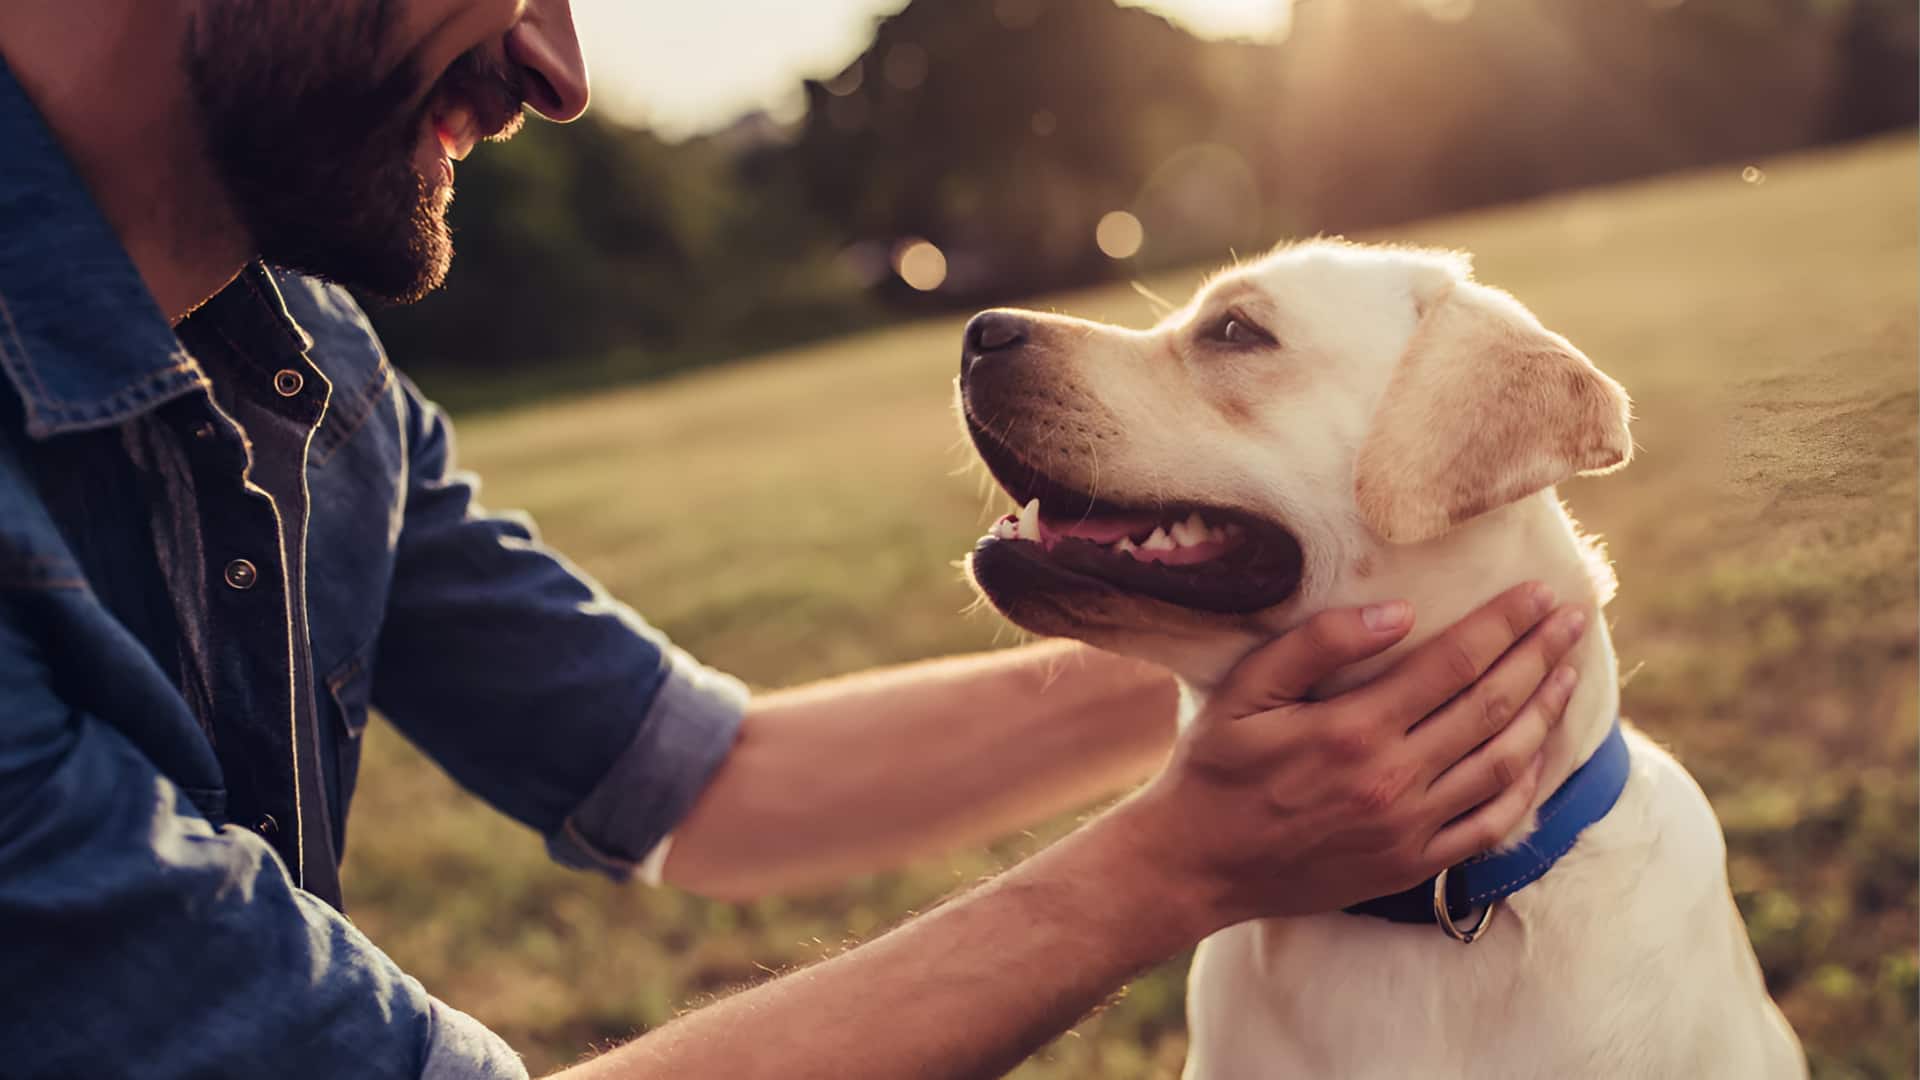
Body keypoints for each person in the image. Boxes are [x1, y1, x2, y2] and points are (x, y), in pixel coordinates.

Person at [0, 2, 1591, 1077]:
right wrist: (1172, 866)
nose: (557, 66)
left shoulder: (312, 374)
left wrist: (1348, 656)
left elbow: (713, 782)